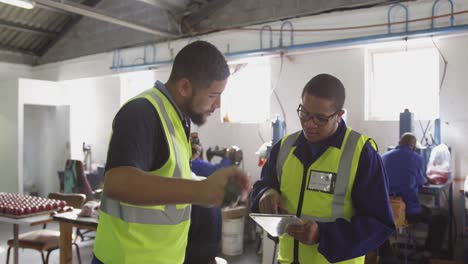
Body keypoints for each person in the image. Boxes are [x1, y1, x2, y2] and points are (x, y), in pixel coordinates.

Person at [92, 41, 250, 264]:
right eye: (214, 95)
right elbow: (117, 183)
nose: (217, 105)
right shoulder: (141, 112)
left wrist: (211, 185)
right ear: (185, 87)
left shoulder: (176, 118)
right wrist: (201, 190)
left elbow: (168, 180)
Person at [250, 73, 395, 264]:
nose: (309, 124)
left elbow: (379, 224)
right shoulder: (284, 147)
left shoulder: (362, 154)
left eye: (320, 118)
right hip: (286, 260)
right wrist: (265, 193)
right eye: (304, 113)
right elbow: (263, 185)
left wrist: (323, 234)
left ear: (339, 115)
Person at [381, 133, 447, 260]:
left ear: (399, 142)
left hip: (385, 210)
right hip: (408, 212)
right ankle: (428, 254)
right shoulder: (416, 158)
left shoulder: (383, 157)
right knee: (441, 216)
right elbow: (421, 181)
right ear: (414, 146)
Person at [184, 132, 237, 264]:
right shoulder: (195, 165)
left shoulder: (195, 166)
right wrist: (227, 157)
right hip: (201, 250)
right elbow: (218, 170)